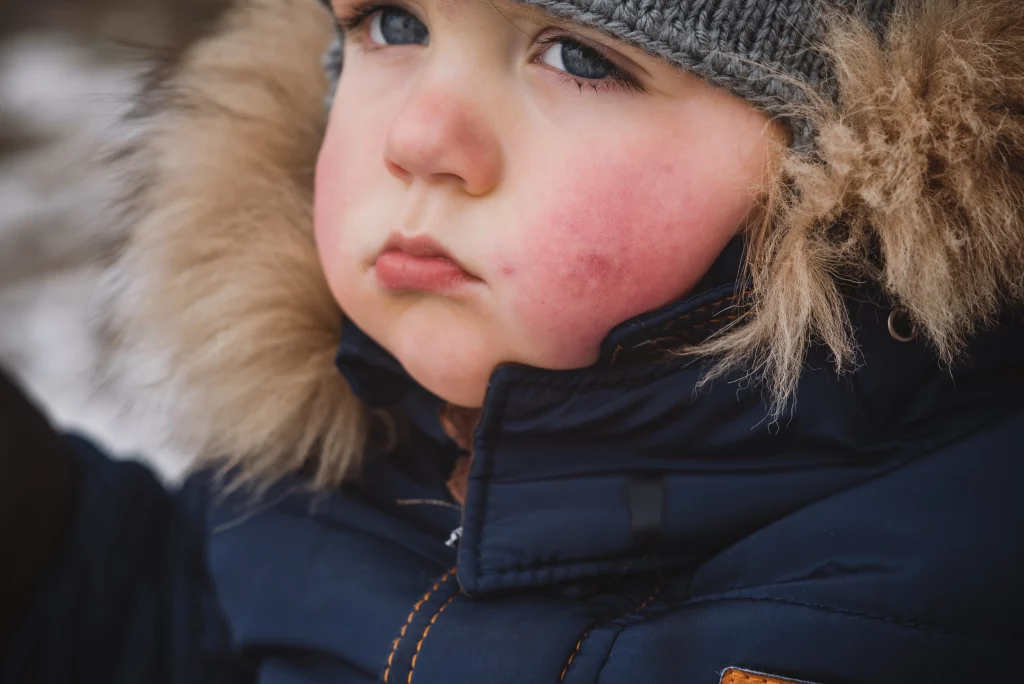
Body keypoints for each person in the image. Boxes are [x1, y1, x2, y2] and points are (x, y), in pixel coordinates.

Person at [2, 0, 1022, 681]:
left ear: (839, 163)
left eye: (580, 56)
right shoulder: (346, 462)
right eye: (392, 23)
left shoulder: (948, 584)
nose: (419, 138)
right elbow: (182, 627)